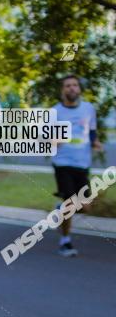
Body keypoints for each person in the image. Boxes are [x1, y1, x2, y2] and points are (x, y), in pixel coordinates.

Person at [51, 74, 101, 257]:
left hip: (82, 164)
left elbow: (92, 131)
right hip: (62, 163)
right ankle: (65, 242)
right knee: (71, 203)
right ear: (62, 90)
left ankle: (60, 208)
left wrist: (95, 142)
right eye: (67, 86)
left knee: (85, 207)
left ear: (79, 89)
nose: (72, 88)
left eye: (74, 85)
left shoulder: (88, 109)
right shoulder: (54, 112)